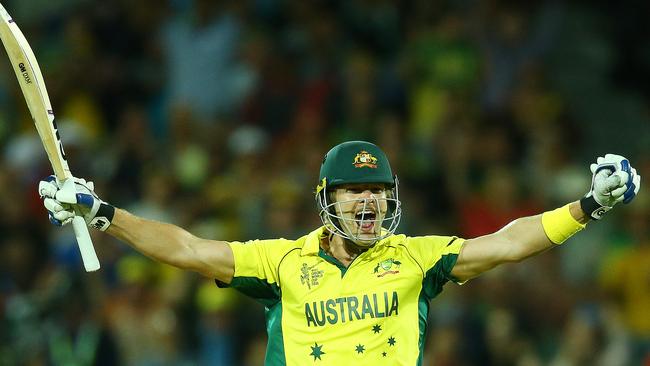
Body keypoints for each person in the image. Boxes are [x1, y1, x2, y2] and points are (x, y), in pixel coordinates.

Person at [39, 140, 641, 365]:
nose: (368, 203)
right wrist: (103, 214)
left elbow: (508, 244)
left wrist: (589, 205)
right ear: (327, 199)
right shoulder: (282, 262)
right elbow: (191, 249)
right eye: (355, 191)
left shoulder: (416, 258)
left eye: (378, 192)